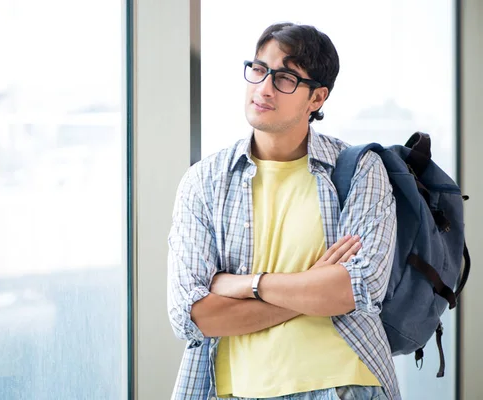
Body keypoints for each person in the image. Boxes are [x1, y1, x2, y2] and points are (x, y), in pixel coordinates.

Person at [167, 22, 399, 400]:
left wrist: (246, 284)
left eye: (286, 77)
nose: (264, 87)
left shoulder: (359, 169)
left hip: (342, 386)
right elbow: (193, 315)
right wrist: (311, 287)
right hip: (235, 390)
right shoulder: (205, 181)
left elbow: (357, 288)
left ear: (317, 98)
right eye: (259, 69)